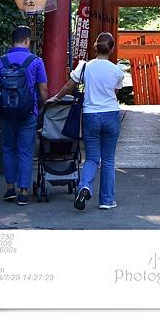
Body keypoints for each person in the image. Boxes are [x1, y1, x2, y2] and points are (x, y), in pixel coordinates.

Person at [51, 32, 124, 211]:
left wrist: (56, 97)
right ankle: (107, 200)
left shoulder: (85, 67)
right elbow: (115, 91)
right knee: (108, 160)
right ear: (112, 49)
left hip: (91, 115)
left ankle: (84, 186)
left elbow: (70, 85)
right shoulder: (117, 70)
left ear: (95, 47)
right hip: (111, 115)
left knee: (92, 158)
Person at [0, 25, 48, 205]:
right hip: (28, 112)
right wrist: (41, 105)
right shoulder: (36, 61)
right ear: (26, 41)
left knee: (8, 148)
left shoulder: (1, 61)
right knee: (26, 151)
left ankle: (9, 189)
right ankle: (23, 192)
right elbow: (44, 90)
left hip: (7, 112)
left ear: (12, 40)